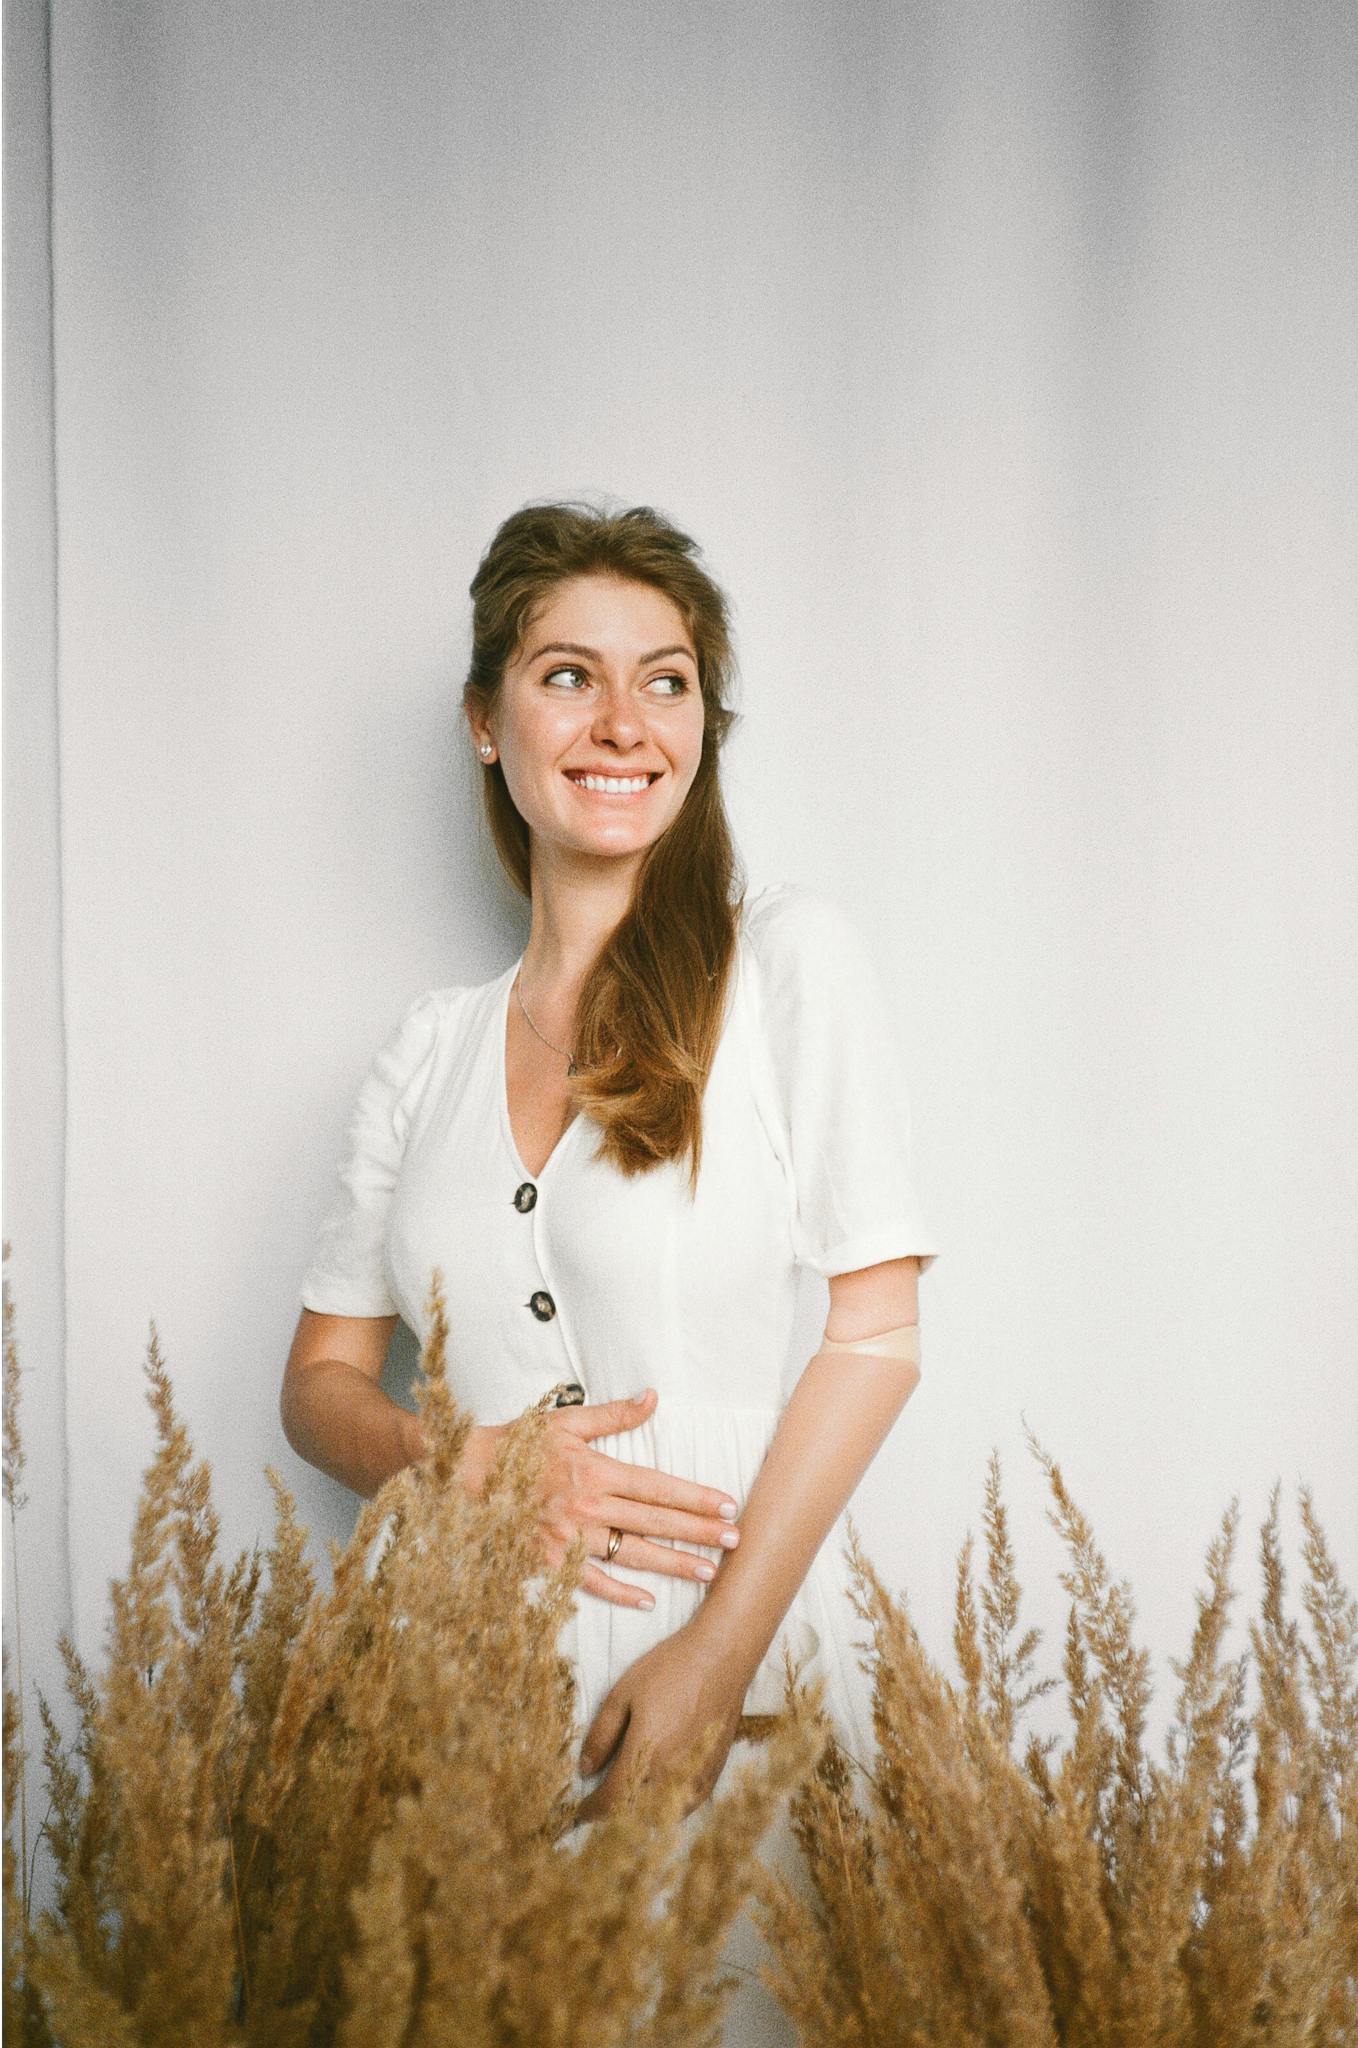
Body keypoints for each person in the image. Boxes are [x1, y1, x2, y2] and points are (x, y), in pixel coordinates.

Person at [281, 500, 938, 2040]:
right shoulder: (428, 1047)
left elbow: (877, 1335)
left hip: (714, 1616)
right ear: (483, 722)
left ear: (707, 721)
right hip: (437, 1648)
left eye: (667, 679)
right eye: (568, 675)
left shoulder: (783, 963)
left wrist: (720, 1654)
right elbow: (317, 1389)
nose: (623, 722)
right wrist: (454, 1461)